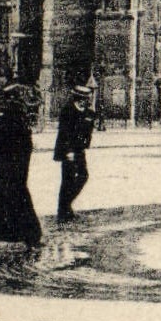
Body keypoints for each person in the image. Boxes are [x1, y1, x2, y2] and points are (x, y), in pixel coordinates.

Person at [0, 85, 42, 251]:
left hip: (15, 168)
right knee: (17, 201)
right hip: (10, 169)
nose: (25, 101)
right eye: (22, 97)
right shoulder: (12, 116)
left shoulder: (16, 115)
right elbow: (0, 143)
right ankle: (31, 237)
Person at [54, 83, 95, 224]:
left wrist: (85, 143)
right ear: (79, 98)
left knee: (83, 176)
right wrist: (69, 151)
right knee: (67, 180)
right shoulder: (68, 110)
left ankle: (66, 205)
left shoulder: (88, 112)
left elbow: (88, 131)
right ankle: (63, 211)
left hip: (79, 149)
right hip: (68, 150)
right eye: (85, 98)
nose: (87, 101)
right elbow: (64, 133)